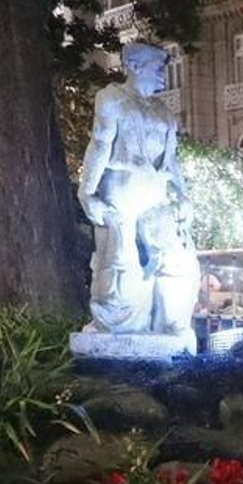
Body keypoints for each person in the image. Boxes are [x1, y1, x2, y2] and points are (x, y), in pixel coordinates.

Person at [77, 41, 199, 337]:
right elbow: (100, 145)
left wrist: (183, 195)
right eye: (157, 67)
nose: (162, 74)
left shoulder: (164, 111)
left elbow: (171, 160)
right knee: (121, 264)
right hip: (121, 191)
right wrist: (87, 191)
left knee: (175, 261)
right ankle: (119, 324)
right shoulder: (112, 98)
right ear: (134, 65)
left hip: (156, 195)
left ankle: (169, 323)